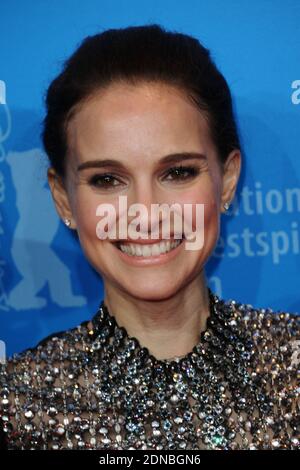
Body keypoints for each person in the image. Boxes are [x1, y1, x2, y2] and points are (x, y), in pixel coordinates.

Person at [0, 24, 299, 450]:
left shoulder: (292, 366)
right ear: (63, 198)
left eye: (178, 173)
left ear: (227, 180)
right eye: (107, 179)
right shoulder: (17, 404)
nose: (144, 213)